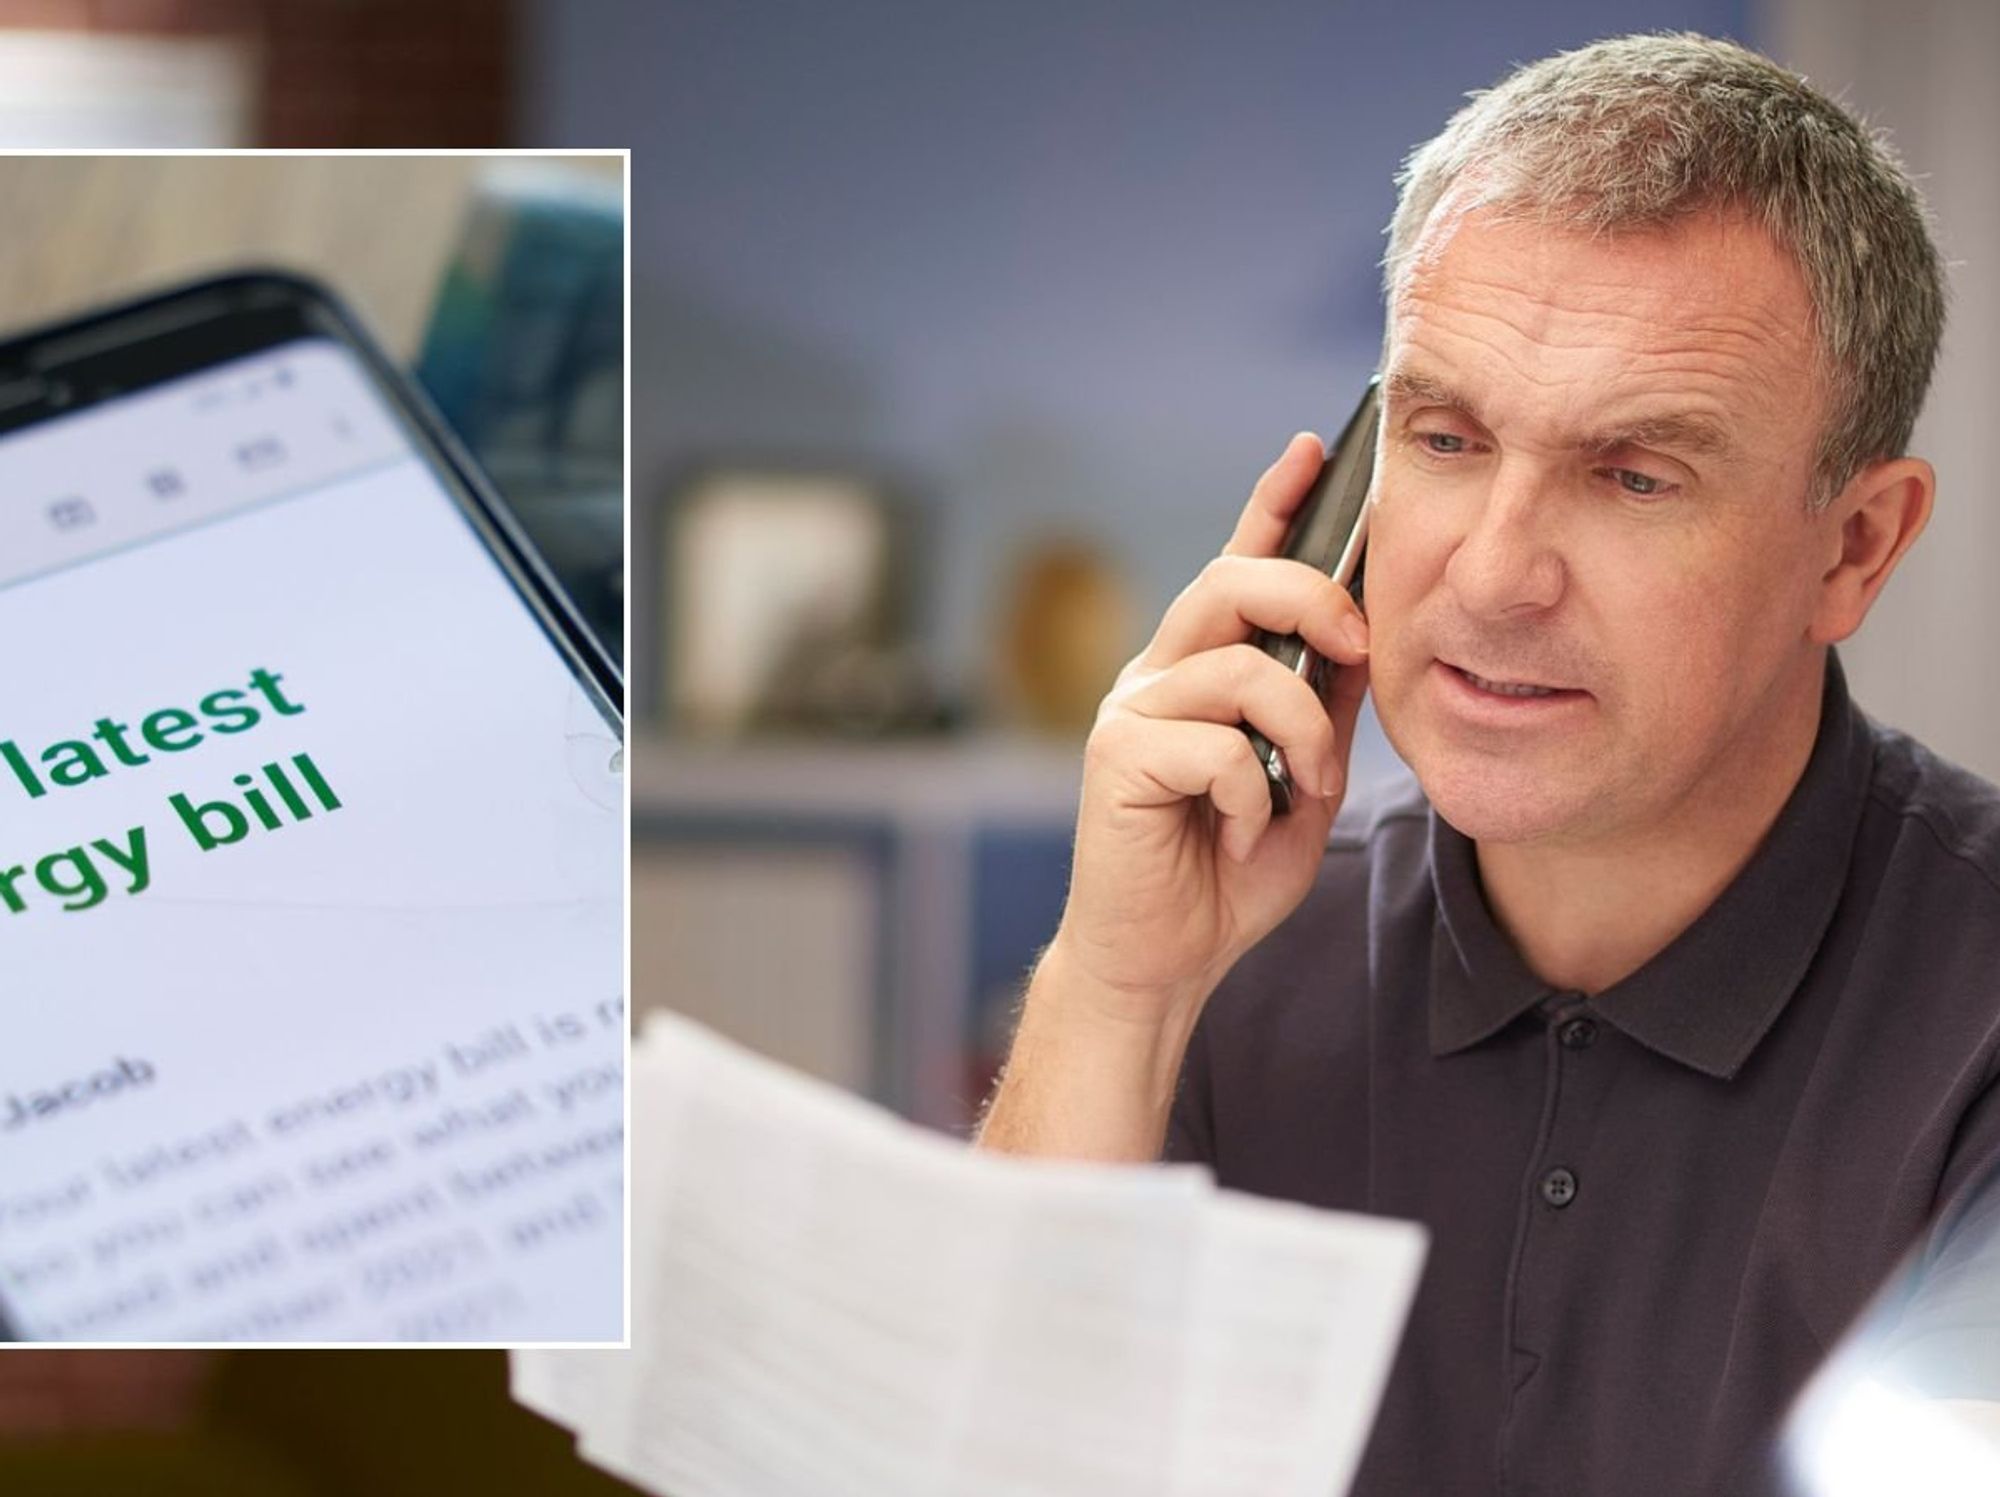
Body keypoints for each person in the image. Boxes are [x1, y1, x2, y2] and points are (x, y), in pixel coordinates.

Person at [976, 31, 2000, 1494]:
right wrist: (1114, 990)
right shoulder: (1230, 942)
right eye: (1447, 439)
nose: (1496, 574)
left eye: (1635, 474)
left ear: (1854, 546)